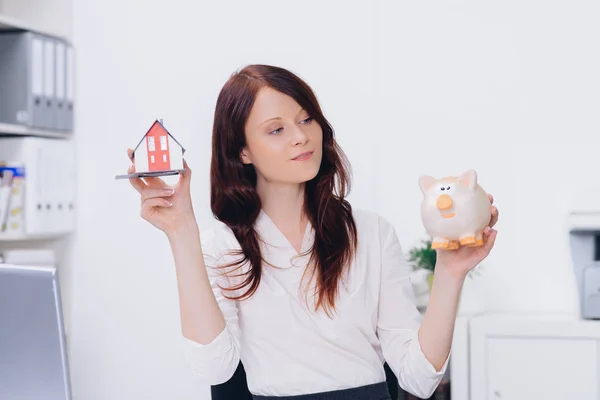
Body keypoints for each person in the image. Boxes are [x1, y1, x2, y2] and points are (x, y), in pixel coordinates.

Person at [126, 64, 499, 400]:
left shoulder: (371, 233)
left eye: (306, 120)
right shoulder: (221, 246)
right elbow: (214, 369)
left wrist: (450, 273)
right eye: (276, 129)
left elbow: (419, 379)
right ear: (243, 152)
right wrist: (181, 233)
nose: (301, 137)